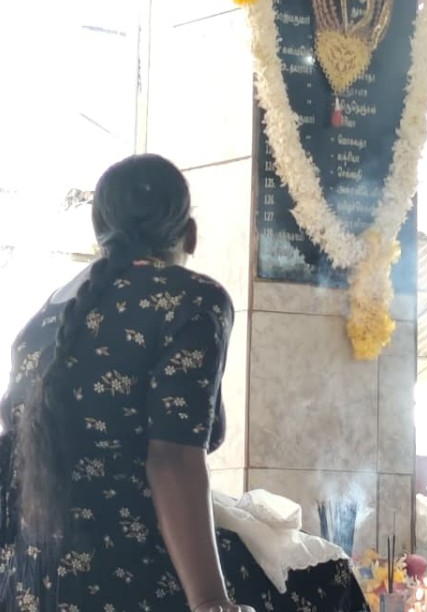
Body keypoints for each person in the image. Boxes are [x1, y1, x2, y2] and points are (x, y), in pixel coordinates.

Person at [0, 154, 369, 612]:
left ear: (98, 231)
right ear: (190, 233)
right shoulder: (190, 299)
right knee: (328, 582)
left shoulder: (45, 318)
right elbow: (173, 460)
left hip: (27, 580)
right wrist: (211, 601)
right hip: (128, 571)